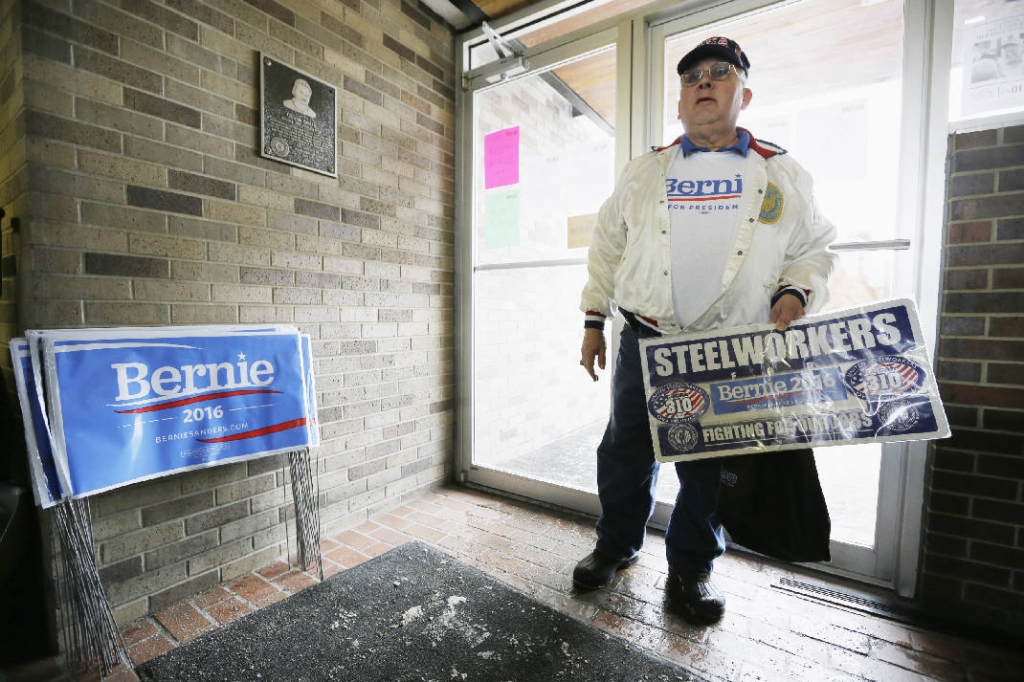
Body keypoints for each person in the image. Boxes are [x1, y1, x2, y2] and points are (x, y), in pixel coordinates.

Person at [574, 36, 837, 625]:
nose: (704, 82)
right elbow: (607, 247)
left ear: (744, 92)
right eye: (692, 75)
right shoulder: (645, 172)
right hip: (643, 341)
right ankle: (615, 547)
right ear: (679, 102)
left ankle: (691, 570)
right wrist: (594, 320)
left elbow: (815, 248)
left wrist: (797, 289)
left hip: (727, 349)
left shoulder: (782, 173)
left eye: (720, 73)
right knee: (625, 453)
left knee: (710, 470)